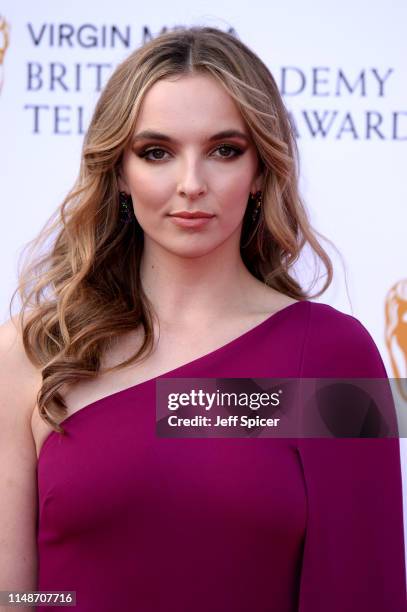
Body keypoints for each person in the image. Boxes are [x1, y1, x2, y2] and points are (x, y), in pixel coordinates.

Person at [0, 26, 405, 612]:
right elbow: (18, 597)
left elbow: (363, 589)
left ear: (261, 170)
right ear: (119, 172)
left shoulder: (328, 357)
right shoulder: (32, 354)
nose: (192, 185)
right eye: (156, 152)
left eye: (224, 150)